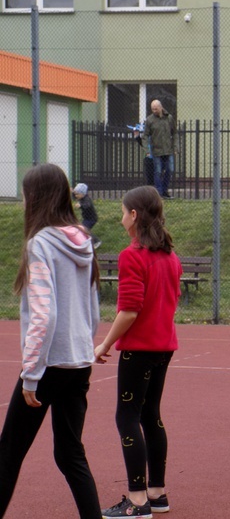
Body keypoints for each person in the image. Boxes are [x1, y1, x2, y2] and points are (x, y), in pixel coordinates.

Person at [0, 163, 102, 519]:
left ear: (37, 197)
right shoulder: (82, 240)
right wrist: (85, 346)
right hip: (78, 362)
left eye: (27, 194)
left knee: (9, 453)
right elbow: (93, 309)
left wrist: (31, 374)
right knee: (70, 453)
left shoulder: (40, 243)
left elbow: (44, 314)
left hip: (48, 367)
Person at [94, 186, 182, 517]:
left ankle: (137, 499)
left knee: (127, 417)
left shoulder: (132, 255)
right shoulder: (169, 256)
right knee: (151, 415)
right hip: (164, 346)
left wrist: (104, 344)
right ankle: (157, 492)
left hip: (140, 348)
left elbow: (130, 310)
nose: (120, 218)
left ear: (133, 215)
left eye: (122, 211)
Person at [143, 100, 177, 199]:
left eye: (156, 109)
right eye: (152, 109)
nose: (154, 111)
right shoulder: (150, 120)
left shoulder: (169, 118)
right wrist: (147, 150)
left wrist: (175, 147)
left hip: (168, 150)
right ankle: (159, 193)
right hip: (156, 151)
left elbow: (174, 133)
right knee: (157, 172)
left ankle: (165, 191)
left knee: (170, 170)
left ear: (161, 107)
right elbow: (145, 135)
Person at [73, 182, 101, 249]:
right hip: (87, 218)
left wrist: (80, 205)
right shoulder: (82, 198)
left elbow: (87, 205)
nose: (76, 196)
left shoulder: (86, 199)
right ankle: (85, 242)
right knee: (82, 229)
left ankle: (96, 241)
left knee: (84, 229)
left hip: (91, 219)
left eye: (77, 194)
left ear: (82, 193)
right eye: (75, 194)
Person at [128, 123, 155, 187]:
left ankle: (157, 190)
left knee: (157, 175)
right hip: (148, 158)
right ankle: (150, 189)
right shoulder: (145, 138)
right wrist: (137, 135)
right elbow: (142, 143)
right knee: (149, 176)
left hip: (156, 157)